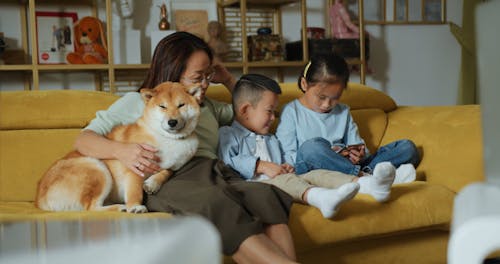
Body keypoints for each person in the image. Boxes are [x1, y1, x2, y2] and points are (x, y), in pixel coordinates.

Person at [74, 31, 297, 263]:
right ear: (173, 72)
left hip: (215, 171)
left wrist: (229, 80)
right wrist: (122, 151)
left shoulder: (208, 106)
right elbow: (83, 140)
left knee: (265, 195)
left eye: (208, 76)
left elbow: (250, 111)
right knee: (216, 203)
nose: (204, 85)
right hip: (169, 177)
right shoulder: (141, 102)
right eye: (197, 77)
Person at [218, 74, 397, 219]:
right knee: (286, 180)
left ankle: (368, 184)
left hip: (289, 181)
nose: (273, 118)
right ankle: (321, 197)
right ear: (244, 110)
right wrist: (260, 165)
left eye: (275, 112)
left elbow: (286, 162)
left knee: (317, 174)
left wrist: (286, 166)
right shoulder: (228, 134)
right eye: (269, 111)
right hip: (258, 189)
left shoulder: (271, 139)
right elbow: (226, 160)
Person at [276, 54, 421, 193]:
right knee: (311, 147)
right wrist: (329, 154)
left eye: (335, 98)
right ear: (304, 84)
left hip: (346, 166)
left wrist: (358, 154)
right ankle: (365, 179)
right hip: (313, 169)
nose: (327, 104)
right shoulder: (291, 111)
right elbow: (288, 157)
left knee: (407, 148)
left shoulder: (343, 111)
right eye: (321, 97)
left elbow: (357, 145)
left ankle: (366, 176)